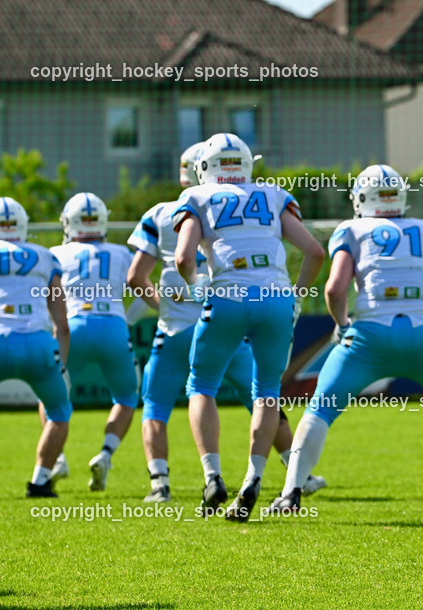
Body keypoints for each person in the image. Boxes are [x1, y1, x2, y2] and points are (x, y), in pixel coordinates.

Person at [266, 165, 423, 513]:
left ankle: (291, 494)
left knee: (319, 411)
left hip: (369, 337)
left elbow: (334, 289)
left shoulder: (352, 230)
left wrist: (343, 322)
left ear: (362, 198)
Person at [129, 143, 325, 503]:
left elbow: (183, 258)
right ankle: (258, 477)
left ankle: (211, 476)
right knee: (266, 391)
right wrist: (295, 296)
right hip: (276, 298)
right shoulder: (273, 194)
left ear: (204, 167)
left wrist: (199, 288)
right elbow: (315, 251)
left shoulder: (194, 197)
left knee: (201, 385)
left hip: (224, 300)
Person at [50, 193, 137, 491]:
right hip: (113, 325)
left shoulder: (56, 255)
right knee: (126, 397)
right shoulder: (122, 252)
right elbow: (140, 287)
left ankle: (56, 457)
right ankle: (105, 454)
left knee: (51, 395)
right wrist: (127, 319)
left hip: (72, 327)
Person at [0, 197, 73, 497]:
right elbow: (61, 319)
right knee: (59, 411)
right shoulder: (44, 256)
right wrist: (62, 362)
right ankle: (41, 481)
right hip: (38, 342)